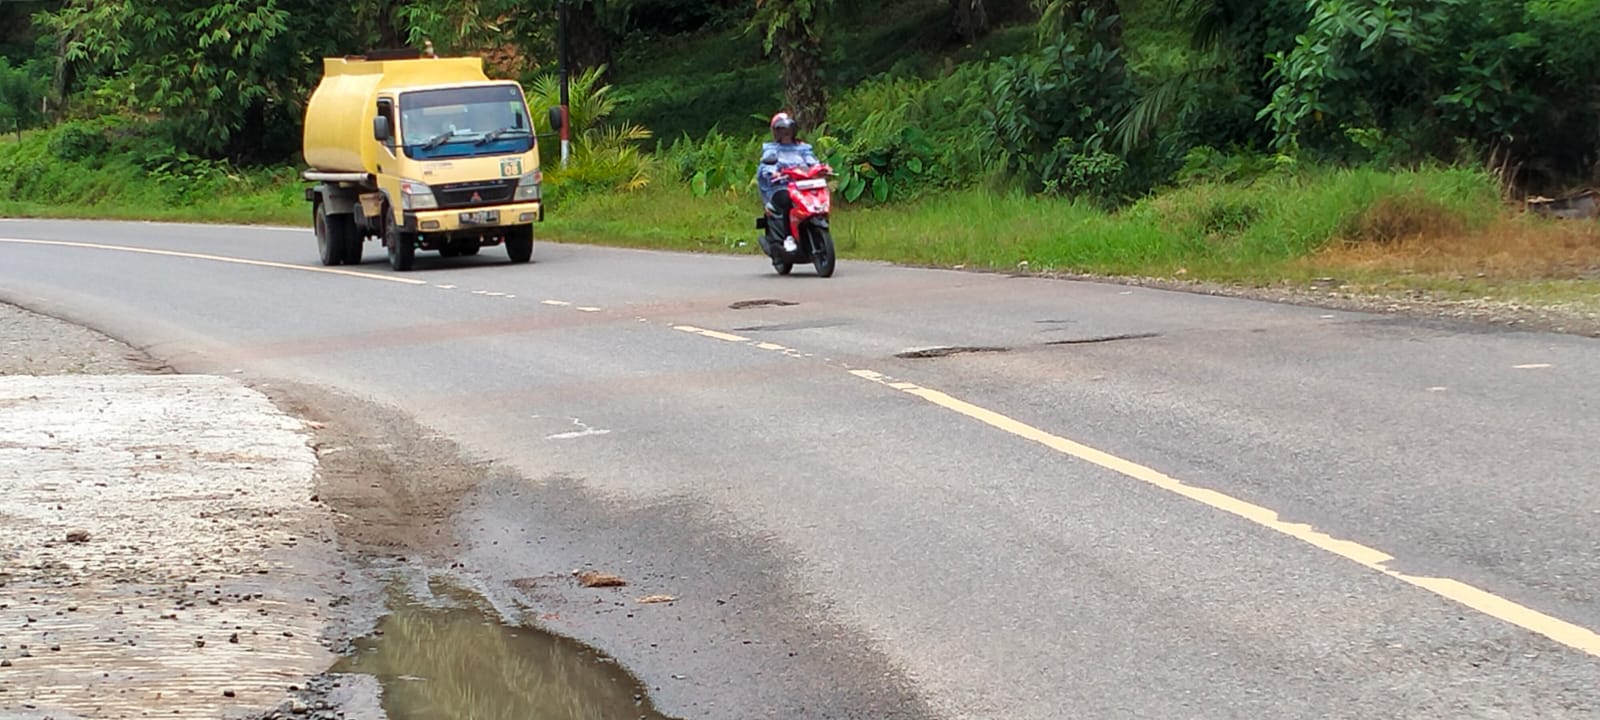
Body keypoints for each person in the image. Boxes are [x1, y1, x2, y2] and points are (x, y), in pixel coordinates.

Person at [756, 112, 819, 254]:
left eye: (788, 130)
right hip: (781, 187)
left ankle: (814, 231)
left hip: (802, 186)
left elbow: (812, 162)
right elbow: (767, 165)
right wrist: (773, 172)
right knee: (787, 201)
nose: (786, 134)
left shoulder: (803, 148)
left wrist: (821, 168)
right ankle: (788, 237)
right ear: (775, 132)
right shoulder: (771, 149)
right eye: (781, 130)